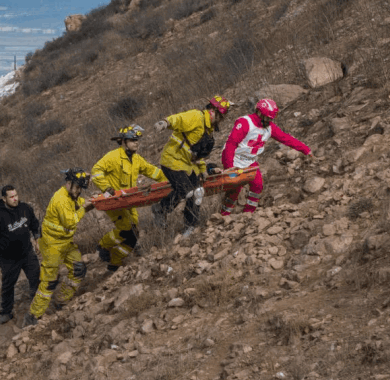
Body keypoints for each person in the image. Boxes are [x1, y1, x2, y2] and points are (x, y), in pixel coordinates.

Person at [152, 96, 232, 238]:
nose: (222, 119)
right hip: (172, 160)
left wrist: (203, 170)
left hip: (187, 164)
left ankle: (190, 227)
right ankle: (160, 209)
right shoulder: (197, 117)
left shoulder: (208, 130)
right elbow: (180, 119)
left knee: (198, 193)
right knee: (188, 192)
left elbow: (197, 154)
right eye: (221, 116)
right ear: (213, 111)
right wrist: (165, 122)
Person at [219, 98, 312, 216]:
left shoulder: (269, 128)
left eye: (271, 118)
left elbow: (285, 138)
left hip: (249, 160)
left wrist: (305, 150)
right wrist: (229, 167)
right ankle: (223, 215)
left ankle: (248, 214)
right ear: (259, 113)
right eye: (267, 118)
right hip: (234, 157)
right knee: (235, 187)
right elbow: (231, 144)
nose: (269, 121)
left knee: (257, 185)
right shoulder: (245, 123)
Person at [92, 125, 165, 270]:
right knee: (126, 229)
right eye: (132, 140)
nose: (136, 143)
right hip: (114, 201)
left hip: (128, 201)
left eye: (137, 140)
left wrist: (169, 179)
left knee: (134, 234)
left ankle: (115, 262)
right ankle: (103, 246)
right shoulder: (113, 157)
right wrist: (106, 187)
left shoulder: (136, 159)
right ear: (123, 142)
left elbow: (152, 171)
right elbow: (96, 171)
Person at [26, 169, 90, 324]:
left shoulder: (71, 195)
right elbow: (70, 220)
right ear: (68, 184)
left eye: (80, 188)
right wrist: (86, 208)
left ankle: (61, 299)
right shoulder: (60, 199)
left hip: (65, 242)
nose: (79, 191)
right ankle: (33, 316)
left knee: (78, 269)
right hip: (52, 244)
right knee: (49, 280)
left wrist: (91, 201)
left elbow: (77, 203)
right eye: (77, 187)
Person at [0, 184, 41, 323]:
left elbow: (34, 224)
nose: (15, 199)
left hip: (26, 252)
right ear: (4, 199)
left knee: (36, 276)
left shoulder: (25, 208)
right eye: (11, 197)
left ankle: (37, 303)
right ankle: (6, 311)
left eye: (16, 195)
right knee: (8, 285)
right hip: (8, 258)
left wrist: (38, 240)